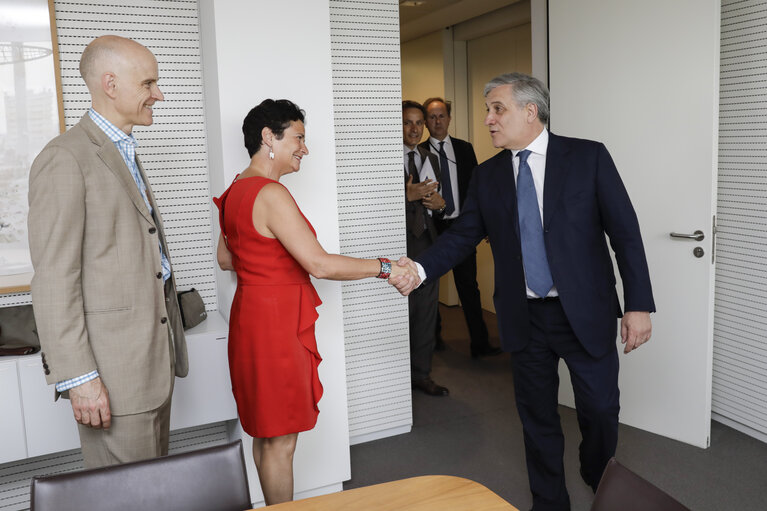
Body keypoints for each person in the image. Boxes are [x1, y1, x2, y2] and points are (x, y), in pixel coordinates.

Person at [391, 73, 655, 510]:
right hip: (524, 316)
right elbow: (463, 236)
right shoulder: (489, 174)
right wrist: (420, 268)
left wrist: (639, 305)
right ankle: (549, 501)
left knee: (601, 410)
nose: (488, 119)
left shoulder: (587, 158)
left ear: (530, 112)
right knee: (537, 418)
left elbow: (625, 233)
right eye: (487, 110)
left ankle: (597, 474)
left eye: (498, 109)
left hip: (584, 311)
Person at [213, 99, 416, 505]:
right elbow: (319, 265)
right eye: (299, 137)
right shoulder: (269, 193)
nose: (305, 148)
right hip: (274, 326)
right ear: (269, 137)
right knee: (281, 442)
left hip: (251, 318)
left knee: (267, 436)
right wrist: (386, 267)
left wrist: (266, 265)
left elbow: (224, 257)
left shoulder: (237, 187)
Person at [28, 35, 188, 469]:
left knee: (152, 492)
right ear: (110, 84)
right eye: (149, 83)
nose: (159, 94)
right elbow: (54, 280)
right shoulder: (65, 158)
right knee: (125, 498)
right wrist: (80, 379)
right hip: (112, 376)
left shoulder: (123, 150)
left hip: (151, 365)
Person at [420, 97, 501, 358]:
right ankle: (434, 339)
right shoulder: (418, 152)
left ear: (449, 119)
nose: (437, 122)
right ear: (426, 122)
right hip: (431, 228)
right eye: (431, 117)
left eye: (441, 116)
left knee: (469, 286)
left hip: (462, 228)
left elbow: (478, 191)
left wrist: (485, 223)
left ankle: (480, 343)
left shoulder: (465, 150)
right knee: (429, 285)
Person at [402, 100, 450, 397]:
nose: (415, 128)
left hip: (427, 243)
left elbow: (440, 203)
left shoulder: (428, 156)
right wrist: (404, 195)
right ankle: (397, 380)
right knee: (401, 314)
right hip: (395, 244)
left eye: (419, 123)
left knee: (426, 316)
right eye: (408, 122)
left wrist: (441, 205)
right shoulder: (379, 158)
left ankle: (422, 374)